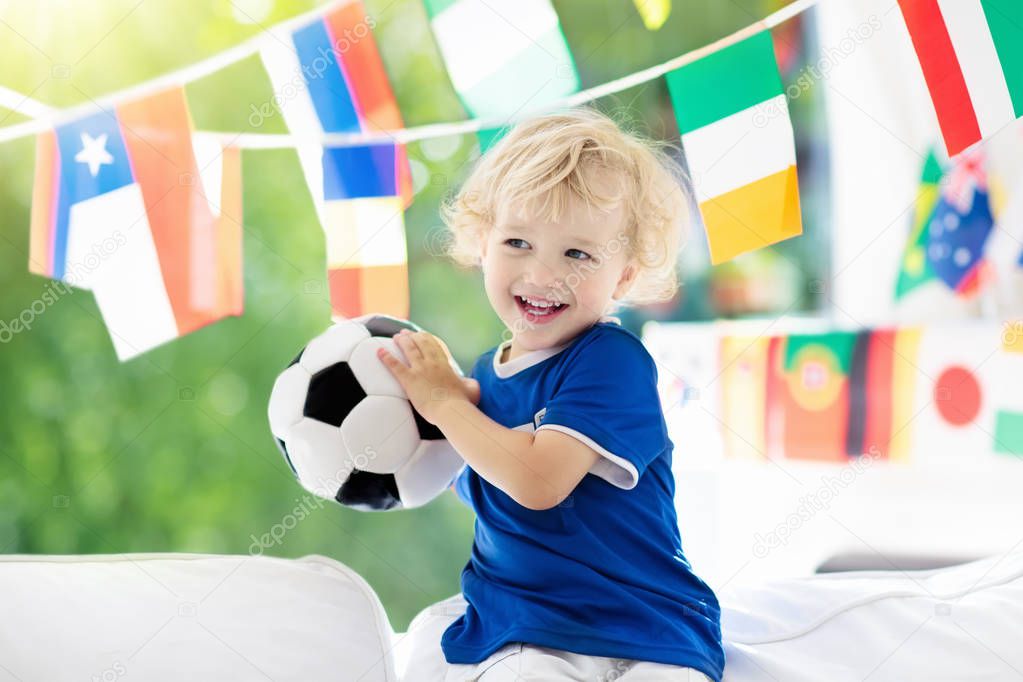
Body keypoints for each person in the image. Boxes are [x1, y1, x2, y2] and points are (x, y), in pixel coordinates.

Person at [377, 107, 724, 681]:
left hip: (646, 626)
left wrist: (445, 403)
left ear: (624, 277)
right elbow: (475, 462)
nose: (544, 275)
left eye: (578, 254)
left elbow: (538, 480)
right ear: (482, 244)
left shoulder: (611, 361)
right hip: (525, 626)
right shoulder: (487, 377)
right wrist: (431, 398)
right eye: (518, 241)